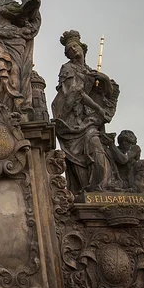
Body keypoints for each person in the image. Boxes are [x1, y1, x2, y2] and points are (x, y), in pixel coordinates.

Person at [51, 30, 120, 195]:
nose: (72, 50)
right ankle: (88, 188)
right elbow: (74, 92)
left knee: (96, 146)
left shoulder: (91, 71)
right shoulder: (67, 68)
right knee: (79, 157)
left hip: (88, 120)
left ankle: (101, 186)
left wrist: (103, 79)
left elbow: (109, 92)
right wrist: (99, 109)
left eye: (74, 46)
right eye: (68, 50)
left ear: (82, 48)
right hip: (72, 120)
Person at [107, 130, 144, 194]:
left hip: (131, 180)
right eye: (122, 141)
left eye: (127, 141)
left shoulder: (135, 148)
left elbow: (123, 160)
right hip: (117, 181)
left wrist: (111, 144)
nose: (124, 143)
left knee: (143, 163)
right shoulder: (114, 150)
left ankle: (138, 190)